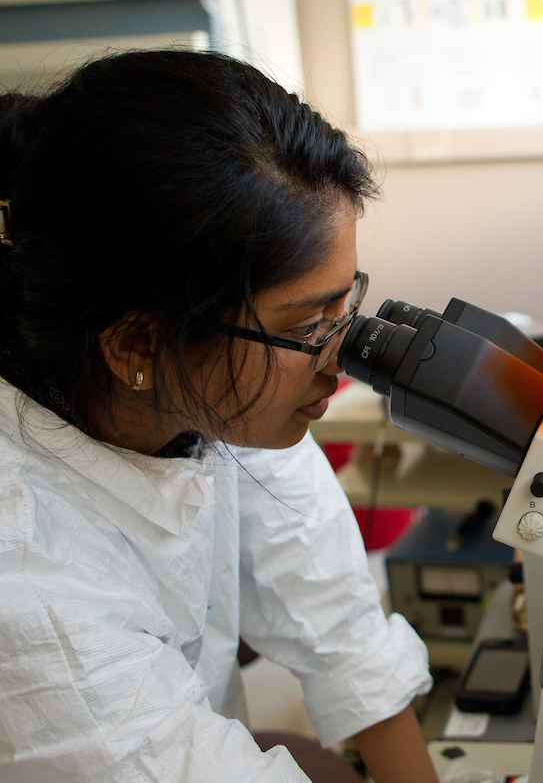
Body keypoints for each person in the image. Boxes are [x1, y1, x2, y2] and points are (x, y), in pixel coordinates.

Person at [0, 50, 438, 782]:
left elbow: (335, 621)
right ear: (139, 342)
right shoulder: (31, 590)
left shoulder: (212, 389)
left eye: (345, 307)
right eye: (305, 328)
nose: (339, 358)